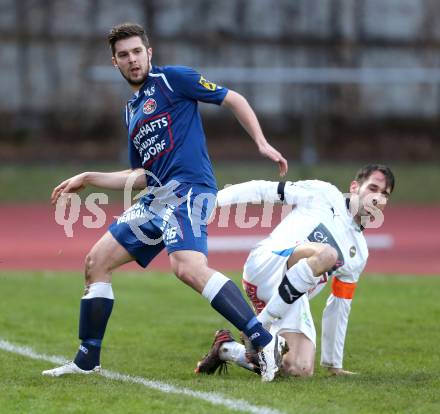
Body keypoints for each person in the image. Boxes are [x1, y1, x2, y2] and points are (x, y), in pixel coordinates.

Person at [42, 22, 289, 382]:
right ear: (115, 62)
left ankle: (262, 341)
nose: (132, 59)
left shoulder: (173, 80)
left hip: (190, 189)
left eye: (137, 52)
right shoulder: (131, 111)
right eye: (124, 55)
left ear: (149, 53)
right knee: (96, 262)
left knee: (186, 266)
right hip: (157, 197)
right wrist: (88, 178)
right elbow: (140, 174)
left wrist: (262, 142)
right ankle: (86, 361)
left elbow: (232, 98)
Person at [195, 164, 395, 377]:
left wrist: (333, 365)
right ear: (355, 187)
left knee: (298, 369)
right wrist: (215, 200)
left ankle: (228, 349)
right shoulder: (324, 193)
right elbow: (264, 189)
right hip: (268, 263)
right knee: (328, 254)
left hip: (290, 297)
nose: (378, 198)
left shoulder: (360, 253)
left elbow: (339, 306)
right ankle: (259, 326)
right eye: (373, 188)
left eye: (385, 194)